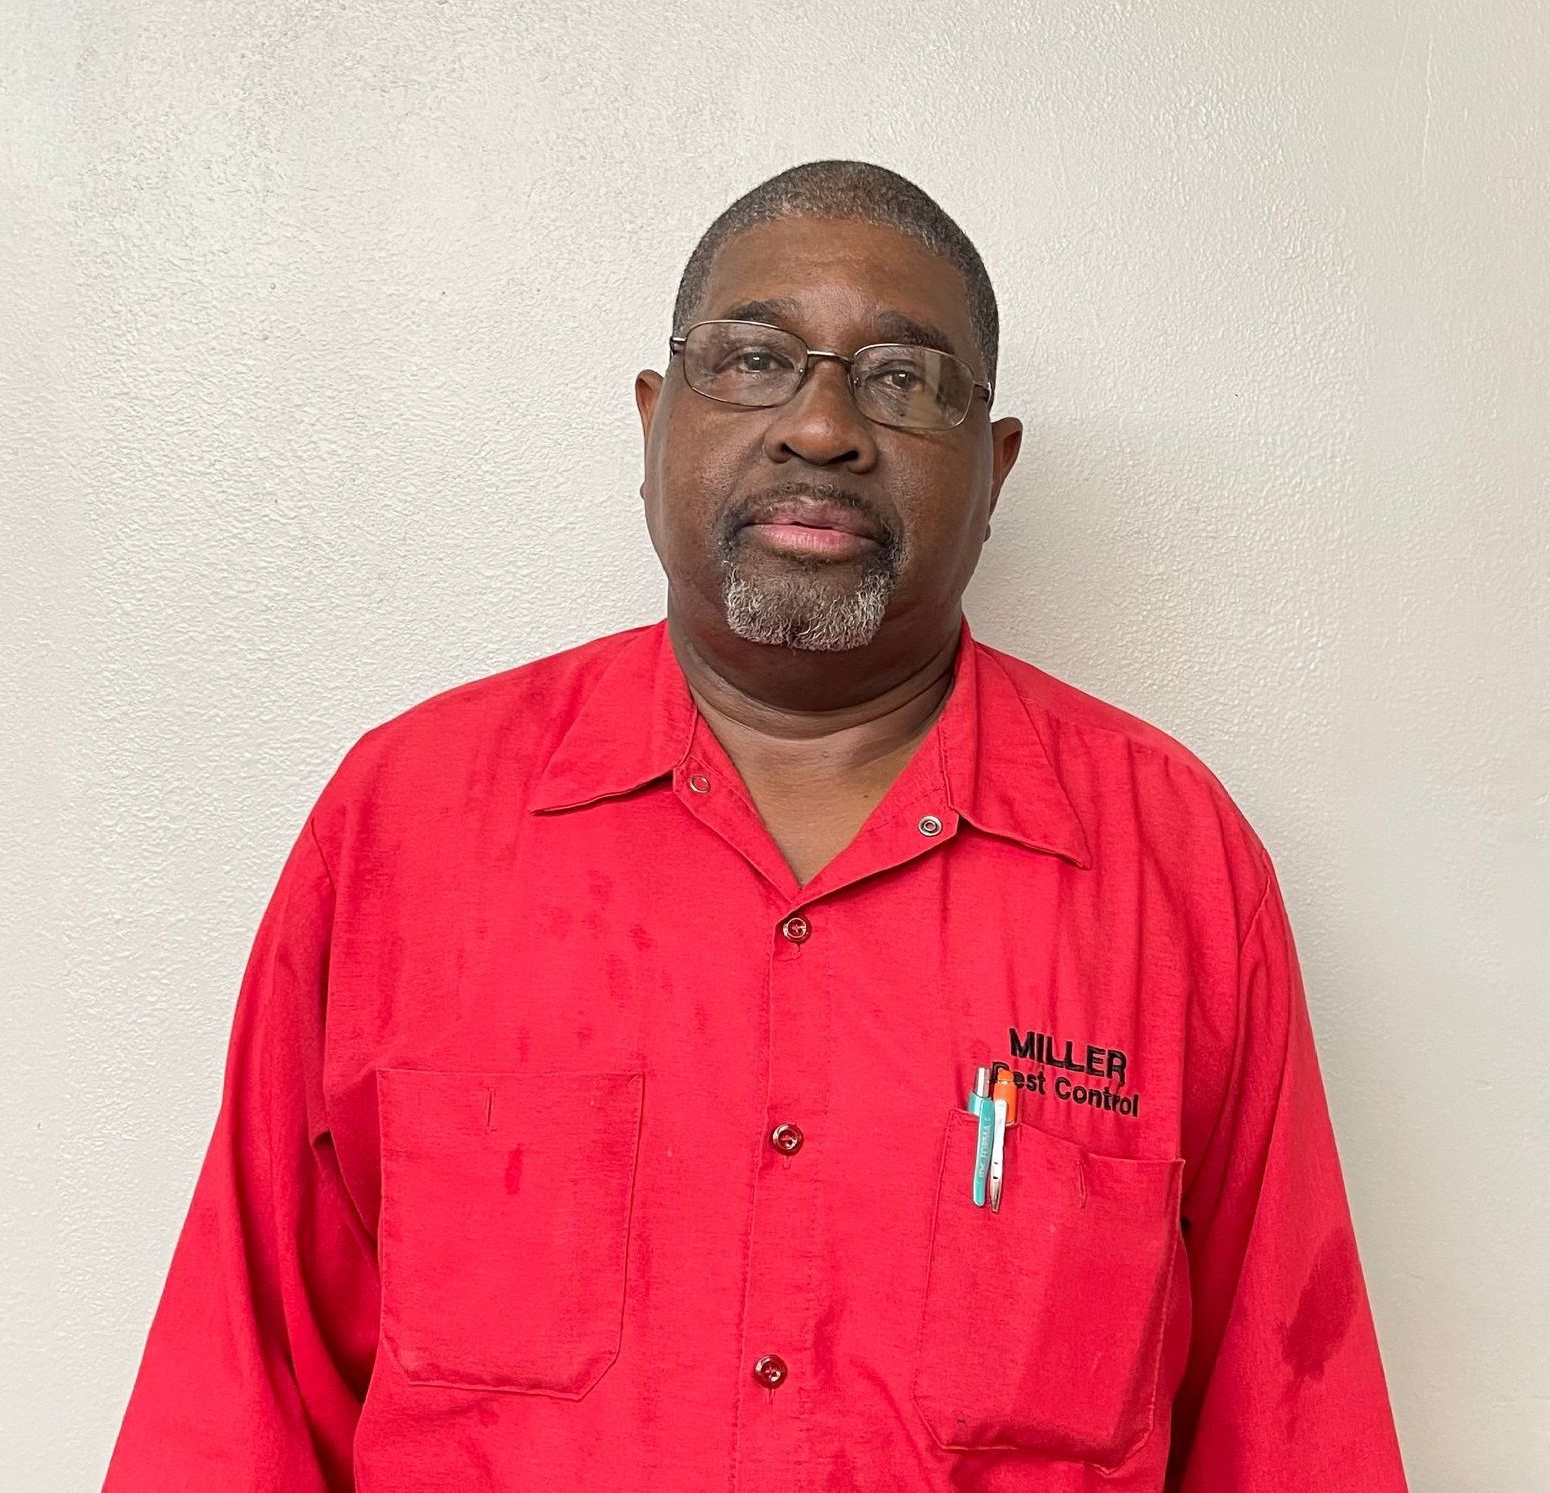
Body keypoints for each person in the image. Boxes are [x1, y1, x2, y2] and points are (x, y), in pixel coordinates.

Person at [104, 159, 1408, 1491]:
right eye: (754, 361)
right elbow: (236, 1396)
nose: (824, 427)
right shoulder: (410, 821)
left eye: (901, 377)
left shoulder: (1168, 863)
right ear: (656, 418)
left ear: (995, 462)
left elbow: (1292, 1428)